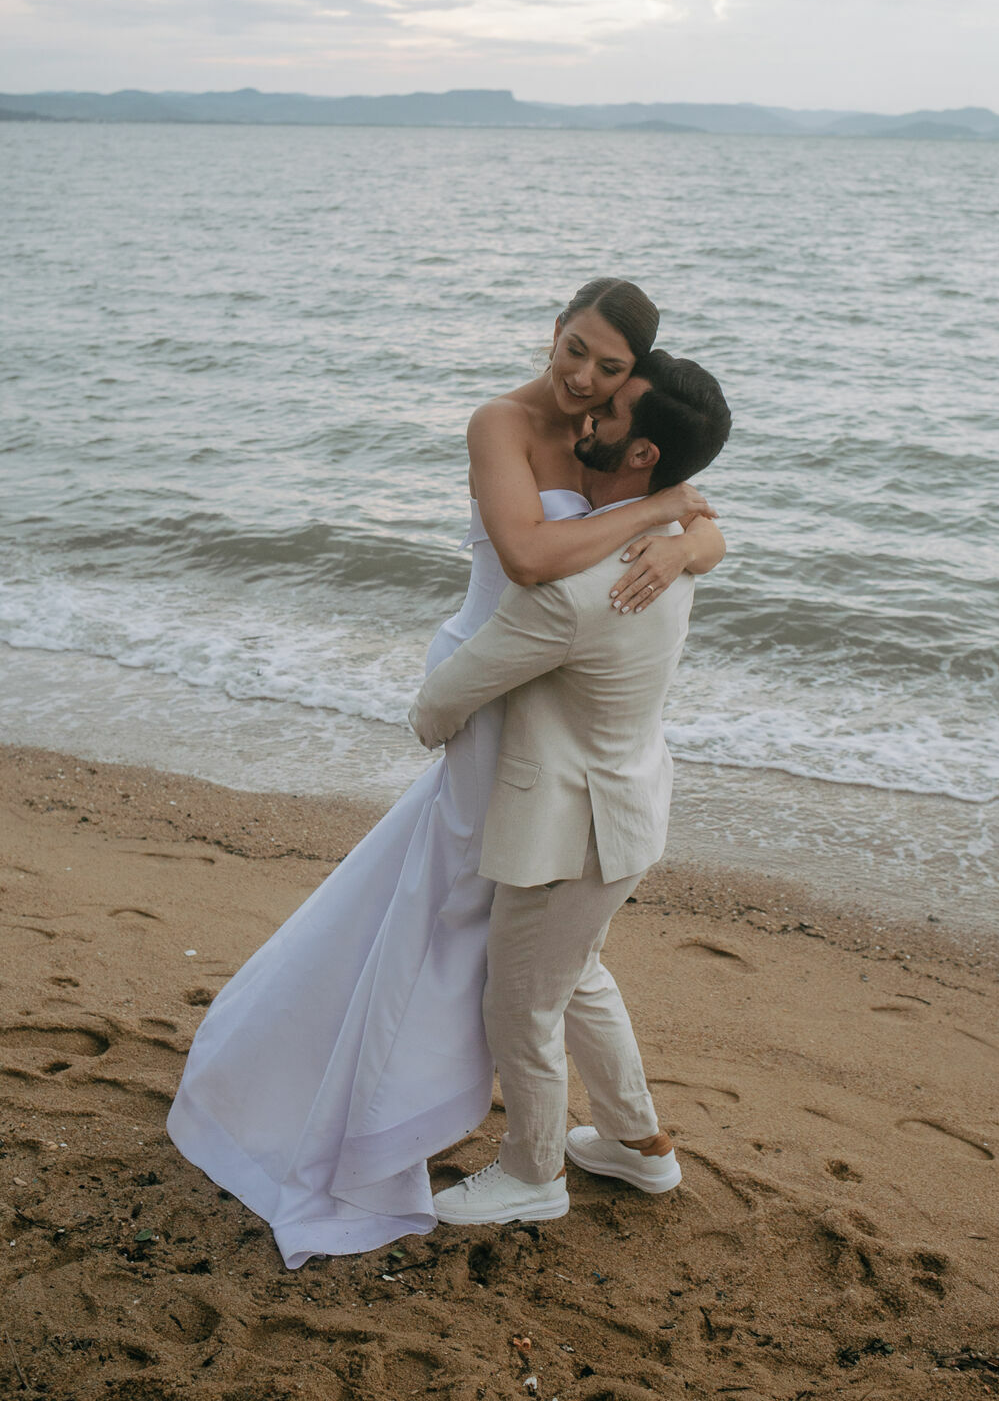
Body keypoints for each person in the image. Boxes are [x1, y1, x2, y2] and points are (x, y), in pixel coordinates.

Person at [167, 278, 723, 1268]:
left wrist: (692, 537)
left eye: (609, 368)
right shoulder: (502, 423)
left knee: (531, 947)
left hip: (549, 712)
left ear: (630, 382)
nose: (584, 376)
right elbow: (525, 555)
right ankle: (428, 1118)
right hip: (492, 688)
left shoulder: (617, 443)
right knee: (475, 919)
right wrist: (668, 516)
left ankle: (583, 1145)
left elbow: (673, 523)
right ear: (555, 329)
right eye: (577, 349)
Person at [410, 351, 732, 1224]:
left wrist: (437, 731)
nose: (586, 418)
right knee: (576, 974)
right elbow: (709, 534)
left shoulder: (575, 592)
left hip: (566, 829)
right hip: (627, 809)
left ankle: (532, 1175)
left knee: (519, 998)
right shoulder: (668, 551)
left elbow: (441, 702)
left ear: (643, 456)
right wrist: (693, 533)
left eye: (612, 411)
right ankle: (638, 1147)